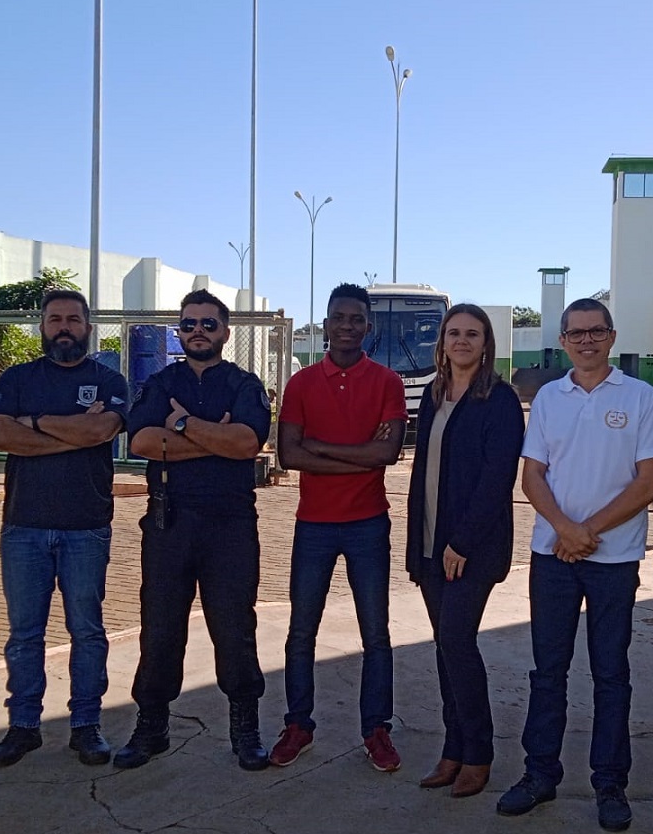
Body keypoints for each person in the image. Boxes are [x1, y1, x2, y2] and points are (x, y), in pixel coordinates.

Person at [497, 298, 653, 831]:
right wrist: (564, 529)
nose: (587, 341)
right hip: (553, 558)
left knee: (610, 673)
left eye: (596, 331)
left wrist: (587, 531)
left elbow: (650, 481)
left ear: (612, 336)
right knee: (547, 671)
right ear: (563, 341)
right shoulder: (549, 399)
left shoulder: (641, 398)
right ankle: (539, 774)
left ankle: (610, 783)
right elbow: (532, 476)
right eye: (576, 333)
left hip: (614, 560)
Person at [113, 289, 274, 771]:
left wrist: (181, 424)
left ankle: (245, 728)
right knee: (160, 627)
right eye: (188, 324)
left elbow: (247, 443)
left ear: (225, 331)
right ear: (179, 331)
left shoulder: (244, 384)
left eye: (208, 323)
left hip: (230, 524)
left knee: (235, 627)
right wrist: (213, 436)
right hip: (170, 521)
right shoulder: (161, 382)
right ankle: (152, 725)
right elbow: (143, 441)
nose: (197, 331)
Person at [0, 290, 129, 768]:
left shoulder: (108, 380)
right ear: (42, 326)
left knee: (87, 631)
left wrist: (34, 424)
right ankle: (23, 726)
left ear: (88, 327)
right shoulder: (18, 378)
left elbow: (100, 432)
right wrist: (72, 434)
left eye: (73, 319)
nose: (64, 327)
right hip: (23, 526)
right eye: (54, 319)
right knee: (25, 635)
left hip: (86, 527)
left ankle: (86, 725)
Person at [272, 282, 408, 771]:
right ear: (325, 324)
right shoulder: (302, 384)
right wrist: (359, 455)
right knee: (300, 631)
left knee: (376, 633)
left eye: (356, 319)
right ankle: (298, 725)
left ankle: (376, 729)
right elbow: (289, 456)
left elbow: (387, 454)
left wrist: (320, 447)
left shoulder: (388, 382)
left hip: (368, 523)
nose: (347, 326)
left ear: (367, 326)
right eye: (339, 318)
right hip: (314, 525)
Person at [406, 304, 525, 799]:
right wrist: (420, 546)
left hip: (470, 549)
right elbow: (422, 471)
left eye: (472, 334)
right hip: (430, 544)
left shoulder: (499, 399)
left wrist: (462, 542)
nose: (461, 341)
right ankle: (452, 749)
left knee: (457, 641)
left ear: (486, 343)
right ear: (442, 342)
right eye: (453, 332)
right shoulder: (433, 394)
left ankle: (478, 754)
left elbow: (497, 480)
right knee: (444, 647)